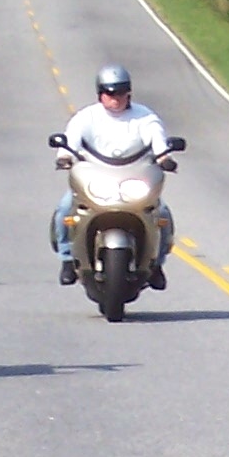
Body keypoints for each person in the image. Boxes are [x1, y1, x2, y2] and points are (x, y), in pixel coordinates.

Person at [56, 62, 177, 289]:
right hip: (95, 176)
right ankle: (67, 259)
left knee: (162, 215)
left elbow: (157, 137)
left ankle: (157, 264)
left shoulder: (144, 117)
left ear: (129, 93)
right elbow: (71, 140)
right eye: (110, 93)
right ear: (100, 94)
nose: (116, 98)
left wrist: (164, 158)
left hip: (134, 176)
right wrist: (64, 156)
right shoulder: (86, 117)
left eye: (121, 92)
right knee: (64, 209)